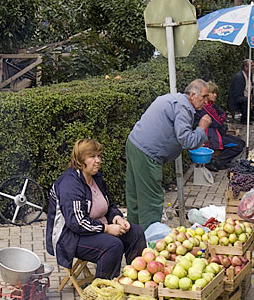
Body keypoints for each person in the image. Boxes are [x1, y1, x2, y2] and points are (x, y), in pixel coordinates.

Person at [46, 139, 146, 279]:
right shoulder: (70, 185)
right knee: (113, 245)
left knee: (136, 232)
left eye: (99, 156)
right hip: (70, 237)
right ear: (80, 160)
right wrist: (107, 229)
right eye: (92, 157)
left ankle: (137, 279)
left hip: (95, 229)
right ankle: (103, 289)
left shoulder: (96, 178)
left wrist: (117, 218)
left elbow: (108, 205)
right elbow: (77, 223)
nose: (98, 160)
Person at [126, 79, 212, 230]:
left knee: (135, 198)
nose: (206, 101)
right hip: (148, 154)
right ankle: (148, 242)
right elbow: (187, 141)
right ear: (192, 95)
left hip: (135, 144)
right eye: (204, 96)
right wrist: (201, 128)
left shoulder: (174, 99)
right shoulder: (184, 107)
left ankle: (132, 238)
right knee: (150, 201)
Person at [194, 81, 245, 171]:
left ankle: (223, 162)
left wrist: (220, 118)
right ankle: (216, 162)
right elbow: (218, 121)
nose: (215, 95)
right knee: (237, 146)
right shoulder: (205, 107)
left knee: (241, 143)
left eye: (216, 93)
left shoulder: (212, 105)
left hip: (218, 133)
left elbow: (222, 114)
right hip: (211, 136)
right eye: (212, 93)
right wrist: (220, 118)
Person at [227, 59, 254, 124]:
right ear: (246, 68)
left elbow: (251, 90)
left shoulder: (250, 75)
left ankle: (253, 115)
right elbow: (238, 96)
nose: (253, 68)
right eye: (252, 66)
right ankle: (245, 120)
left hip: (247, 97)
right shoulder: (239, 77)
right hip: (237, 101)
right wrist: (249, 101)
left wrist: (251, 100)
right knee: (246, 100)